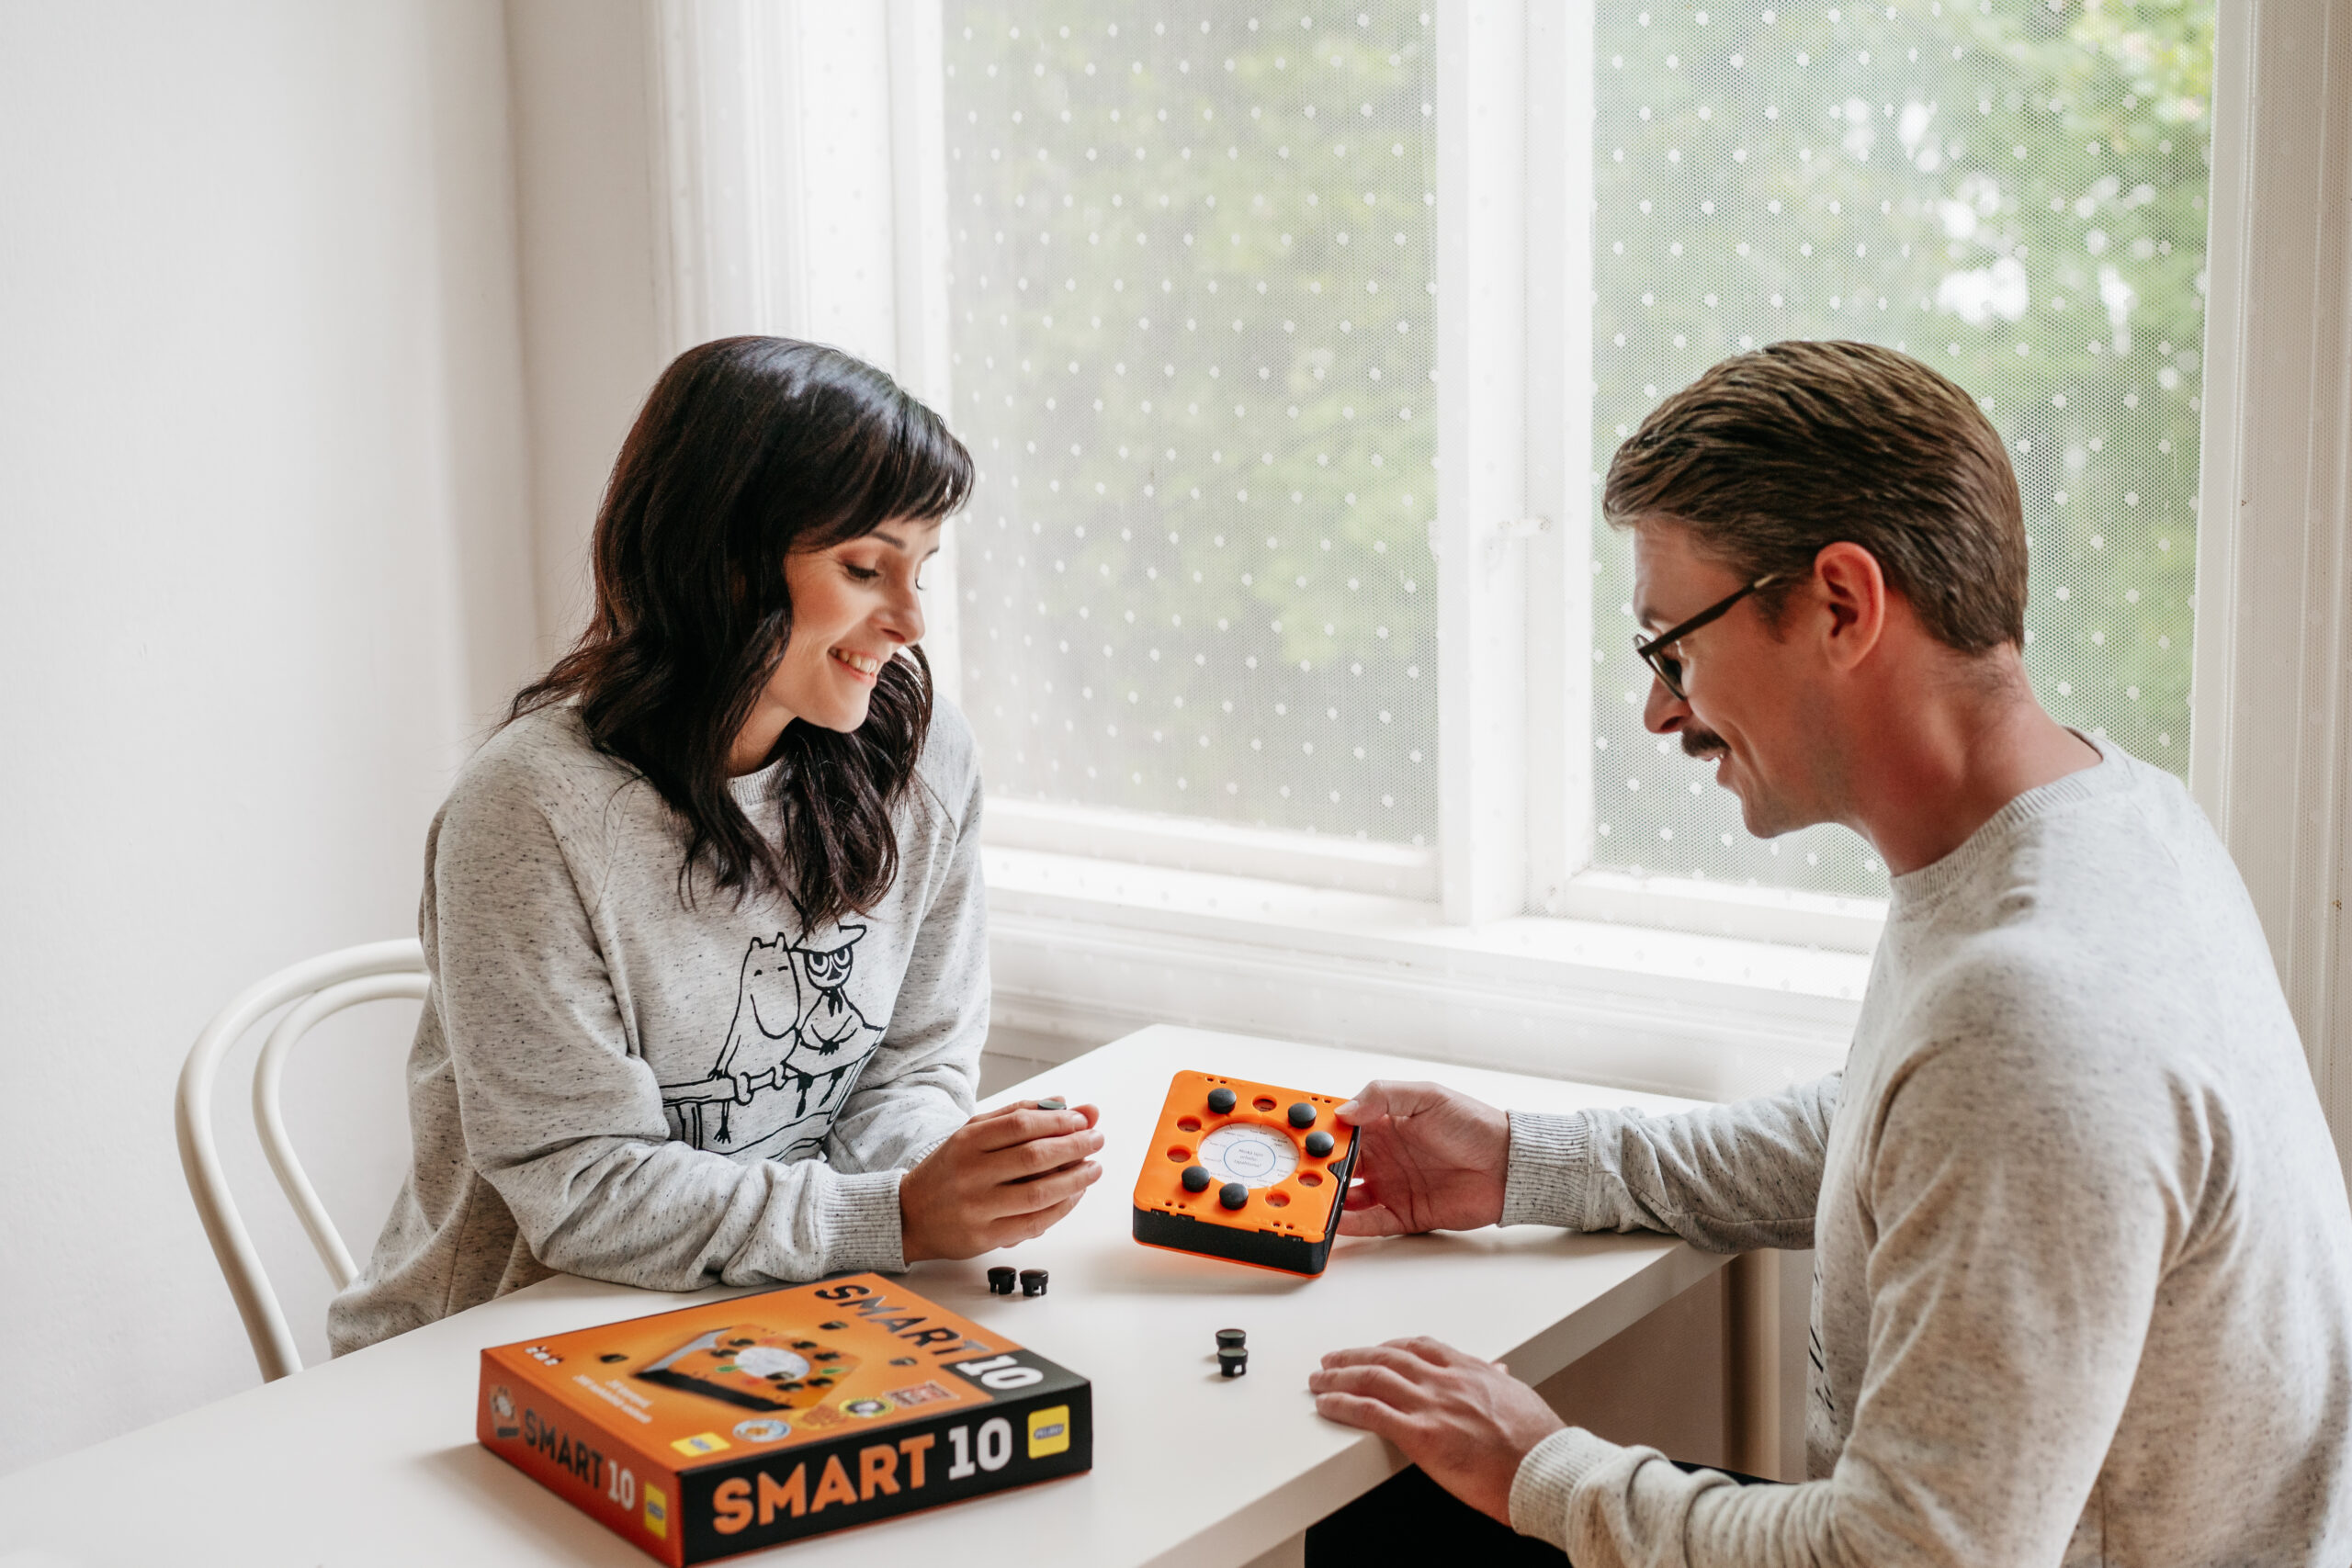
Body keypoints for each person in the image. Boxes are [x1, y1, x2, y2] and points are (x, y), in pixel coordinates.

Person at [1305, 342, 2352, 1564]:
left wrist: (1543, 1470)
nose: (1660, 708)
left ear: (1843, 603)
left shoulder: (2031, 1010)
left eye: (1672, 646)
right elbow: (1897, 1126)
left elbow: (1906, 1558)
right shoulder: (2110, 818)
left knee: (1376, 1520)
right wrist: (1523, 1164)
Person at [330, 338, 1102, 1353]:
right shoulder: (531, 809)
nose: (910, 619)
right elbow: (583, 1186)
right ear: (723, 561)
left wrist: (953, 1185)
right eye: (864, 567)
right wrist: (892, 1218)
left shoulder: (921, 759)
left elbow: (913, 1066)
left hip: (769, 1315)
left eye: (921, 569)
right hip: (492, 1350)